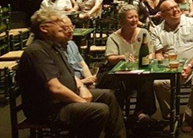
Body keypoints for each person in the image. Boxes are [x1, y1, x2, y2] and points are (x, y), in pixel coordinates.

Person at [17, 9, 125, 138]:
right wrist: (82, 102)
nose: (62, 25)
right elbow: (55, 88)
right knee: (98, 110)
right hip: (48, 109)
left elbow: (71, 73)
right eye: (57, 22)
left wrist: (81, 87)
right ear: (44, 28)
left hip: (64, 99)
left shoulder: (56, 46)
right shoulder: (37, 51)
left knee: (108, 95)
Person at [152, 0, 193, 133]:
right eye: (170, 9)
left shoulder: (192, 23)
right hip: (170, 68)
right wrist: (164, 64)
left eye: (176, 6)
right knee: (158, 83)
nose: (176, 10)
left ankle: (188, 116)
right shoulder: (157, 30)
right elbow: (158, 54)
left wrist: (190, 66)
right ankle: (170, 118)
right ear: (163, 14)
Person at [102, 4, 156, 122]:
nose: (135, 20)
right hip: (120, 73)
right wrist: (122, 57)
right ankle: (117, 115)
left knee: (147, 80)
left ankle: (142, 113)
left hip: (139, 71)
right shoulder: (114, 37)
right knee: (117, 84)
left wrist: (147, 58)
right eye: (130, 17)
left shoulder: (143, 33)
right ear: (122, 21)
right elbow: (110, 57)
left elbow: (151, 53)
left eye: (136, 17)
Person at [60, 17, 96, 86]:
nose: (70, 30)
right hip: (73, 86)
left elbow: (83, 65)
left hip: (83, 81)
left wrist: (90, 79)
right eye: (66, 28)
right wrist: (83, 82)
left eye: (72, 27)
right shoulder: (55, 50)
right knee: (108, 95)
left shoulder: (72, 44)